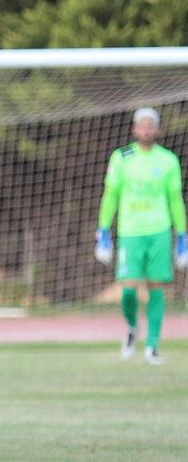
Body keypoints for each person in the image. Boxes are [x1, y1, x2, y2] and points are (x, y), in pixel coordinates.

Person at [94, 106, 186, 365]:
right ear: (134, 129)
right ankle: (133, 327)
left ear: (158, 129)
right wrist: (103, 232)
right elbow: (110, 196)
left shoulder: (168, 160)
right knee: (129, 291)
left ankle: (152, 346)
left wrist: (183, 237)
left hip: (158, 231)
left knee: (157, 289)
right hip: (130, 232)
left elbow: (175, 200)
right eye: (142, 125)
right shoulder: (122, 158)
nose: (146, 130)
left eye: (151, 125)